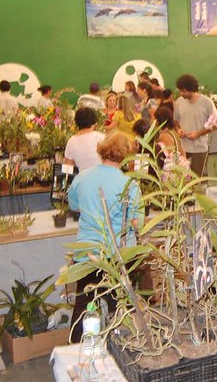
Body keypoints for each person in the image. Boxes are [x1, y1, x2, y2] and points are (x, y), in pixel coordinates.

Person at [68, 131, 142, 343]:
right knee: (119, 306)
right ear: (127, 156)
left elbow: (74, 206)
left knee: (83, 305)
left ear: (102, 151)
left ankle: (76, 348)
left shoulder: (82, 178)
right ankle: (122, 347)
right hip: (118, 254)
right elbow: (136, 223)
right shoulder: (130, 185)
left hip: (87, 252)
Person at [174, 74, 217, 177]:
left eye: (184, 91)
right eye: (180, 91)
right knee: (183, 178)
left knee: (198, 177)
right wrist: (178, 130)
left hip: (199, 148)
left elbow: (215, 124)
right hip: (183, 148)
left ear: (191, 89)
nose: (181, 94)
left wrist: (198, 133)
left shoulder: (207, 102)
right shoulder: (179, 102)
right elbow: (176, 121)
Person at [64, 107, 106, 172]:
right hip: (102, 175)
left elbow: (68, 168)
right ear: (94, 122)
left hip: (82, 177)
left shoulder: (71, 141)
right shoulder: (101, 137)